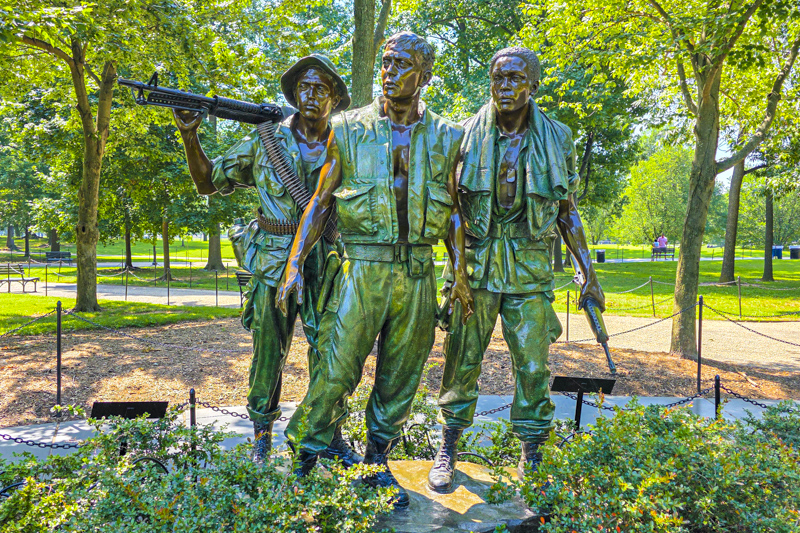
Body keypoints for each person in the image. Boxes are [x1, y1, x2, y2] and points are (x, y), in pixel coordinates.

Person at [277, 32, 474, 509]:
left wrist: (460, 273)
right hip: (363, 268)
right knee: (337, 368)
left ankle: (374, 462)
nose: (388, 72)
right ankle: (302, 461)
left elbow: (452, 212)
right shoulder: (346, 128)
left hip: (418, 272)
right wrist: (293, 266)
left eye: (400, 65)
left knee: (400, 378)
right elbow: (321, 203)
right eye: (384, 63)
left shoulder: (448, 136)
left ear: (424, 76)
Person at [427, 46, 606, 493]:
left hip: (528, 267)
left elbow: (567, 211)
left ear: (533, 84)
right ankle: (447, 446)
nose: (504, 87)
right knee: (462, 360)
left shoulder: (557, 137)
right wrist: (456, 274)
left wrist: (589, 271)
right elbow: (449, 211)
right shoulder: (462, 136)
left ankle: (532, 452)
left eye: (514, 78)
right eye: (497, 77)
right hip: (476, 267)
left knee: (531, 366)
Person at [172, 55, 360, 466]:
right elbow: (207, 182)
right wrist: (190, 136)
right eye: (304, 88)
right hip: (273, 261)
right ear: (294, 94)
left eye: (321, 89)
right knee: (268, 352)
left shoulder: (346, 144)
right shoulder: (266, 140)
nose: (311, 96)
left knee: (332, 352)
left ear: (334, 99)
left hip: (325, 262)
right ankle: (261, 436)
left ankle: (329, 432)